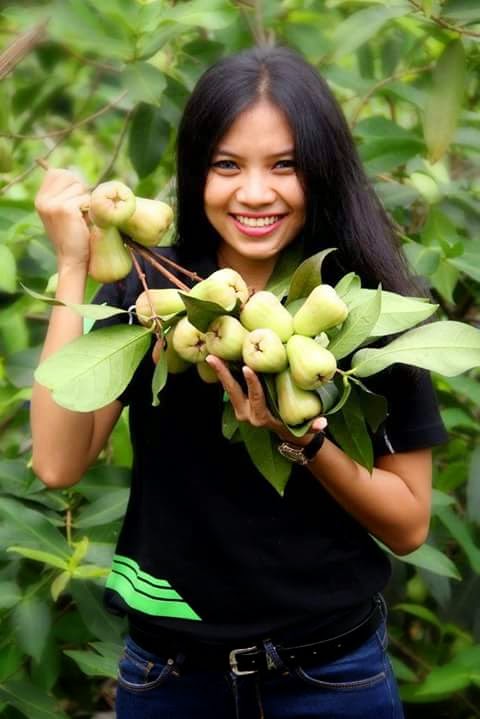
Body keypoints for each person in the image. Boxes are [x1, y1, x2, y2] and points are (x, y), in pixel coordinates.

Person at [32, 46, 448, 719]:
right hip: (170, 679)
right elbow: (57, 461)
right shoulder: (146, 298)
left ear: (322, 169)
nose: (255, 192)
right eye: (228, 164)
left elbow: (408, 524)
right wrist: (76, 264)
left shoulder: (362, 306)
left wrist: (303, 443)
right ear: (197, 172)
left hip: (330, 676)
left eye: (284, 164)